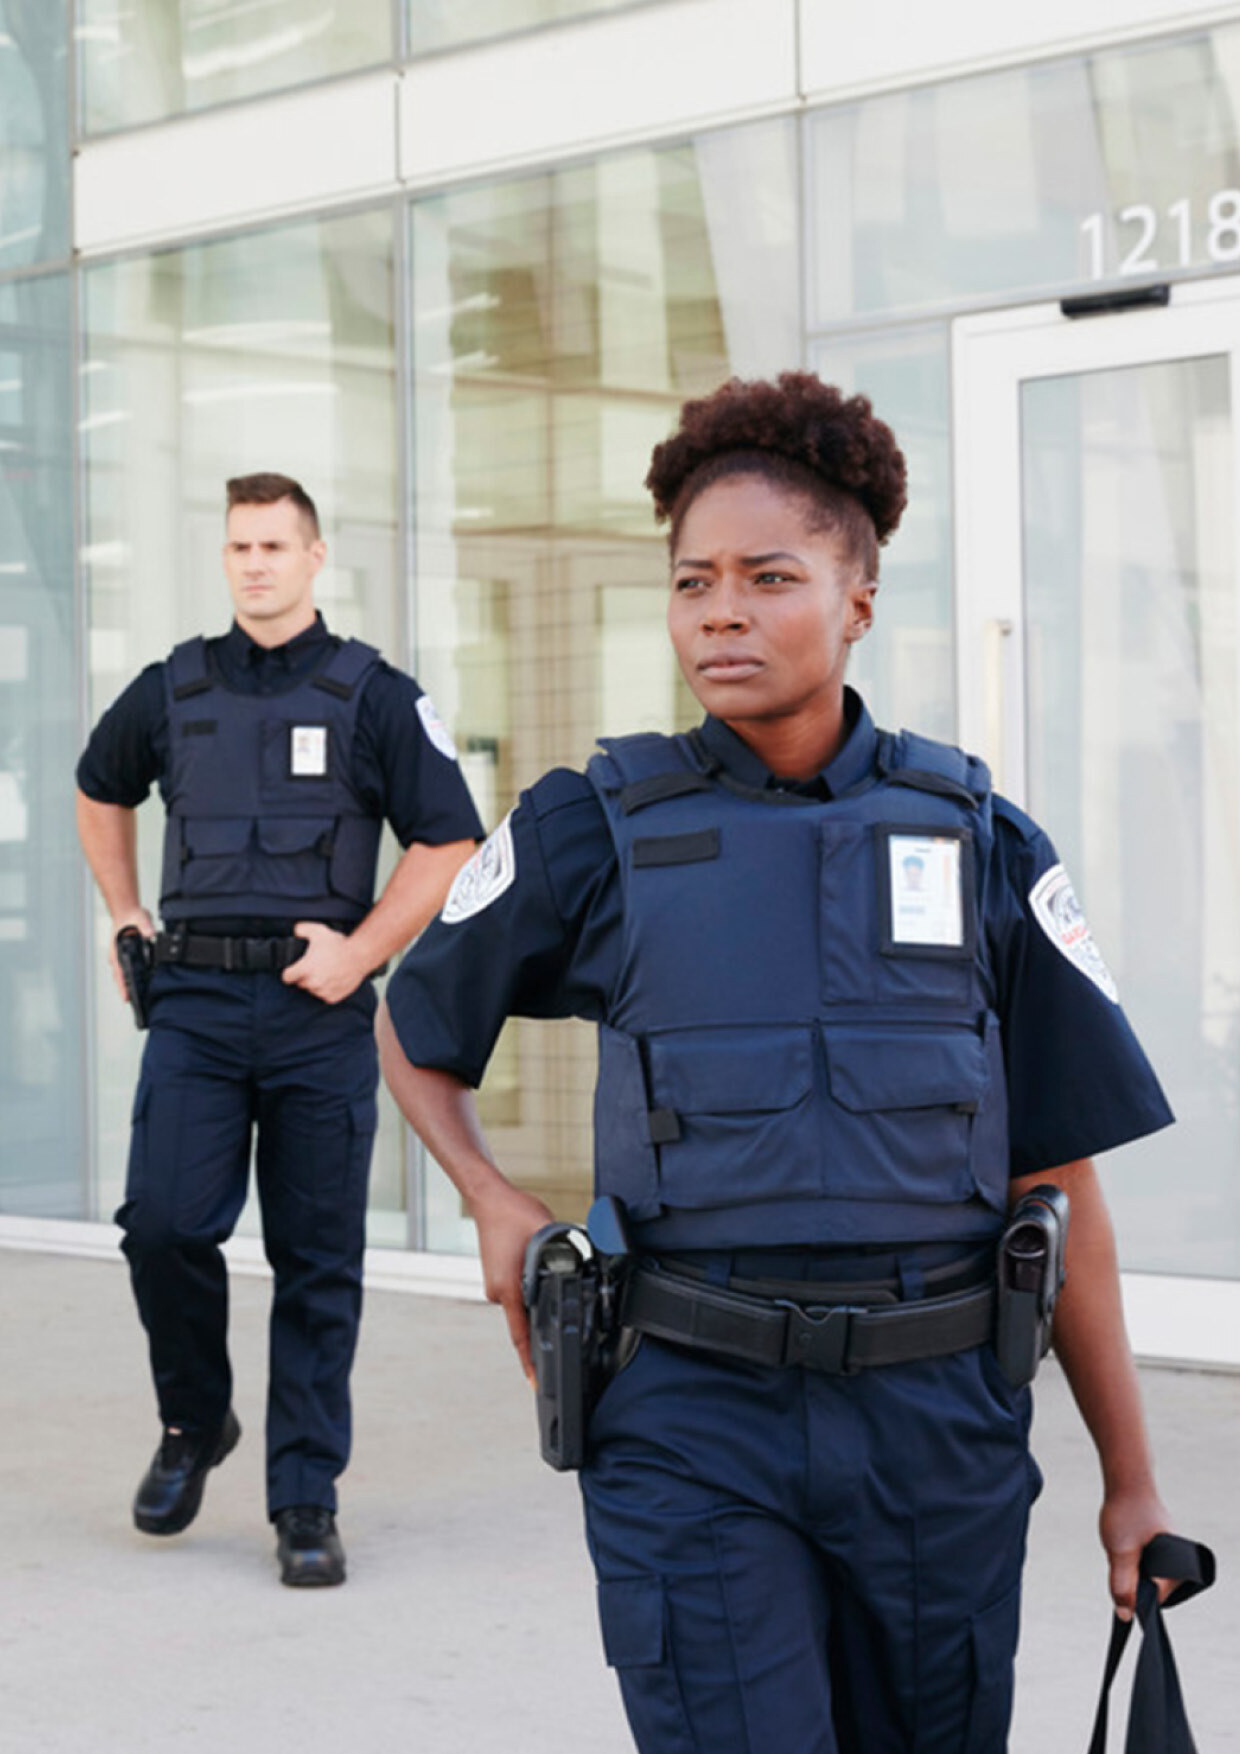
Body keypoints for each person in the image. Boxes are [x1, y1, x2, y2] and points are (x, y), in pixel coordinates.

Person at [376, 374, 1177, 1749]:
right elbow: (415, 1022)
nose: (722, 612)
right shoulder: (590, 825)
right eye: (692, 582)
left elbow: (1060, 1185)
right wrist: (491, 1198)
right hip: (691, 1412)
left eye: (768, 576)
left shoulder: (982, 838)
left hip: (938, 1420)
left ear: (858, 597)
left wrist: (1132, 1481)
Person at [76, 472, 482, 1588]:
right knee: (162, 1224)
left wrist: (363, 951)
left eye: (274, 544)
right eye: (239, 546)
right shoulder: (175, 685)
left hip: (318, 1016)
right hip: (196, 1005)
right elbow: (97, 786)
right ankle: (193, 1420)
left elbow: (449, 840)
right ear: (227, 559)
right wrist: (126, 912)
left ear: (314, 558)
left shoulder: (374, 695)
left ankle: (305, 1494)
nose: (254, 562)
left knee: (316, 1263)